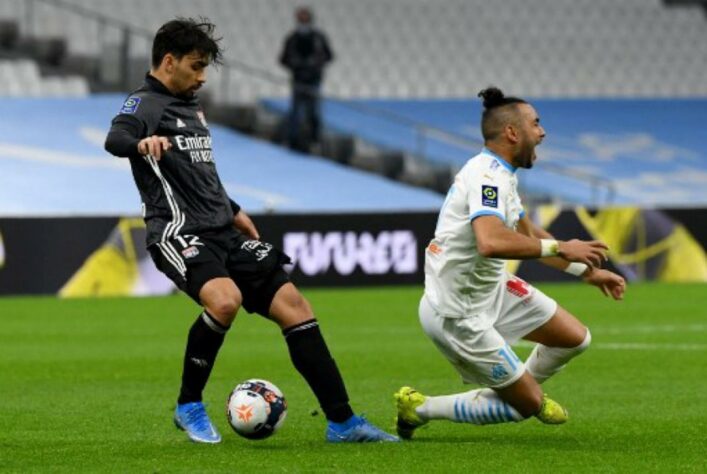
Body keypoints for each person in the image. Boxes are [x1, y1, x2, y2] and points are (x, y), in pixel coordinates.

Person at [104, 18, 397, 444]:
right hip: (178, 231)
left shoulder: (190, 107)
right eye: (196, 65)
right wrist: (139, 144)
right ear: (168, 62)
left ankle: (343, 421)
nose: (202, 76)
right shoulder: (146, 102)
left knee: (295, 305)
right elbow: (116, 137)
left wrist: (234, 209)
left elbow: (199, 171)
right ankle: (188, 405)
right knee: (225, 301)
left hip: (222, 228)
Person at [394, 87, 626, 439]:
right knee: (523, 408)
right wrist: (564, 246)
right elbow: (490, 242)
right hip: (459, 313)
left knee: (574, 339)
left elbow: (529, 234)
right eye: (536, 123)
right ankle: (421, 407)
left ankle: (516, 387)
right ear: (512, 132)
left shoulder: (503, 176)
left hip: (492, 290)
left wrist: (586, 272)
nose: (542, 132)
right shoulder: (486, 177)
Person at [279, 6, 333, 152]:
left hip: (314, 79)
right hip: (298, 79)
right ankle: (292, 140)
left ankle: (315, 139)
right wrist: (296, 65)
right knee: (296, 111)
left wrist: (314, 64)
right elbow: (283, 59)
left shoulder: (318, 38)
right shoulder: (292, 39)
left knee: (314, 111)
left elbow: (329, 56)